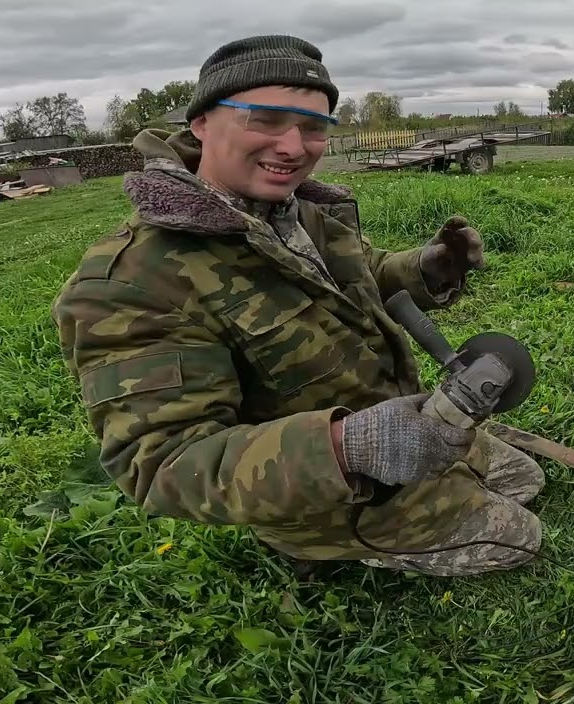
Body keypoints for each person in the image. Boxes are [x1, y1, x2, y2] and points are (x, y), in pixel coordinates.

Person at [51, 35, 545, 577]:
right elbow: (163, 464)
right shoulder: (130, 283)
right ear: (201, 123)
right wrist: (348, 446)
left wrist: (425, 269)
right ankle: (314, 547)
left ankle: (425, 475)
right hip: (326, 493)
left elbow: (356, 279)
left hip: (397, 426)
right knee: (521, 538)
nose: (293, 147)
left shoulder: (294, 214)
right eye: (265, 120)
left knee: (527, 479)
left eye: (313, 127)